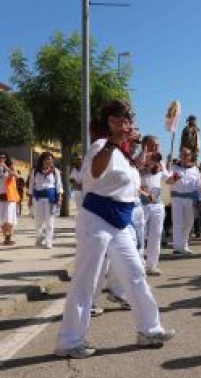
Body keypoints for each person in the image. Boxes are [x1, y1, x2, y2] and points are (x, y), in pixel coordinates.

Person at [55, 99, 174, 359]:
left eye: (126, 119)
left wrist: (141, 150)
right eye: (117, 119)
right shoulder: (100, 147)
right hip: (97, 218)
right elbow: (96, 173)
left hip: (119, 222)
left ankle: (149, 329)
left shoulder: (123, 154)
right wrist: (110, 142)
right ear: (106, 123)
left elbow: (133, 180)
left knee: (135, 274)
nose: (123, 123)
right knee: (86, 280)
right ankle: (69, 340)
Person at [138, 135, 168, 275]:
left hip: (156, 201)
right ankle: (139, 265)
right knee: (140, 235)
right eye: (153, 145)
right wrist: (144, 156)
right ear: (145, 145)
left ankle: (151, 265)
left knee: (156, 234)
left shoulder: (161, 161)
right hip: (141, 202)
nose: (156, 147)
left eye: (157, 145)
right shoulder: (138, 158)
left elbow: (167, 178)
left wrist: (174, 178)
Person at [167, 146, 201, 255]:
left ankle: (184, 244)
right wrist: (173, 179)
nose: (185, 156)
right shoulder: (173, 168)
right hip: (177, 198)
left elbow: (199, 186)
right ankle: (177, 247)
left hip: (191, 199)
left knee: (188, 223)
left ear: (191, 156)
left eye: (187, 154)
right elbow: (166, 182)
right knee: (178, 222)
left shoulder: (195, 169)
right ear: (179, 156)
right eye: (183, 154)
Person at [29, 152, 64, 249]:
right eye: (47, 159)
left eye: (51, 159)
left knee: (50, 221)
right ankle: (39, 238)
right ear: (42, 160)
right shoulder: (35, 171)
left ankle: (49, 241)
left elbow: (59, 186)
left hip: (50, 199)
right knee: (38, 221)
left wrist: (60, 198)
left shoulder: (55, 171)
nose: (50, 161)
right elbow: (31, 185)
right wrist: (30, 199)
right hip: (38, 199)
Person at [0, 153, 19, 245]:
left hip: (9, 196)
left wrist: (5, 166)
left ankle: (9, 236)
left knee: (9, 218)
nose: (1, 159)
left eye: (3, 157)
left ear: (6, 158)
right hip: (0, 196)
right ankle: (6, 237)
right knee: (2, 218)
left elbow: (16, 176)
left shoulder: (11, 167)